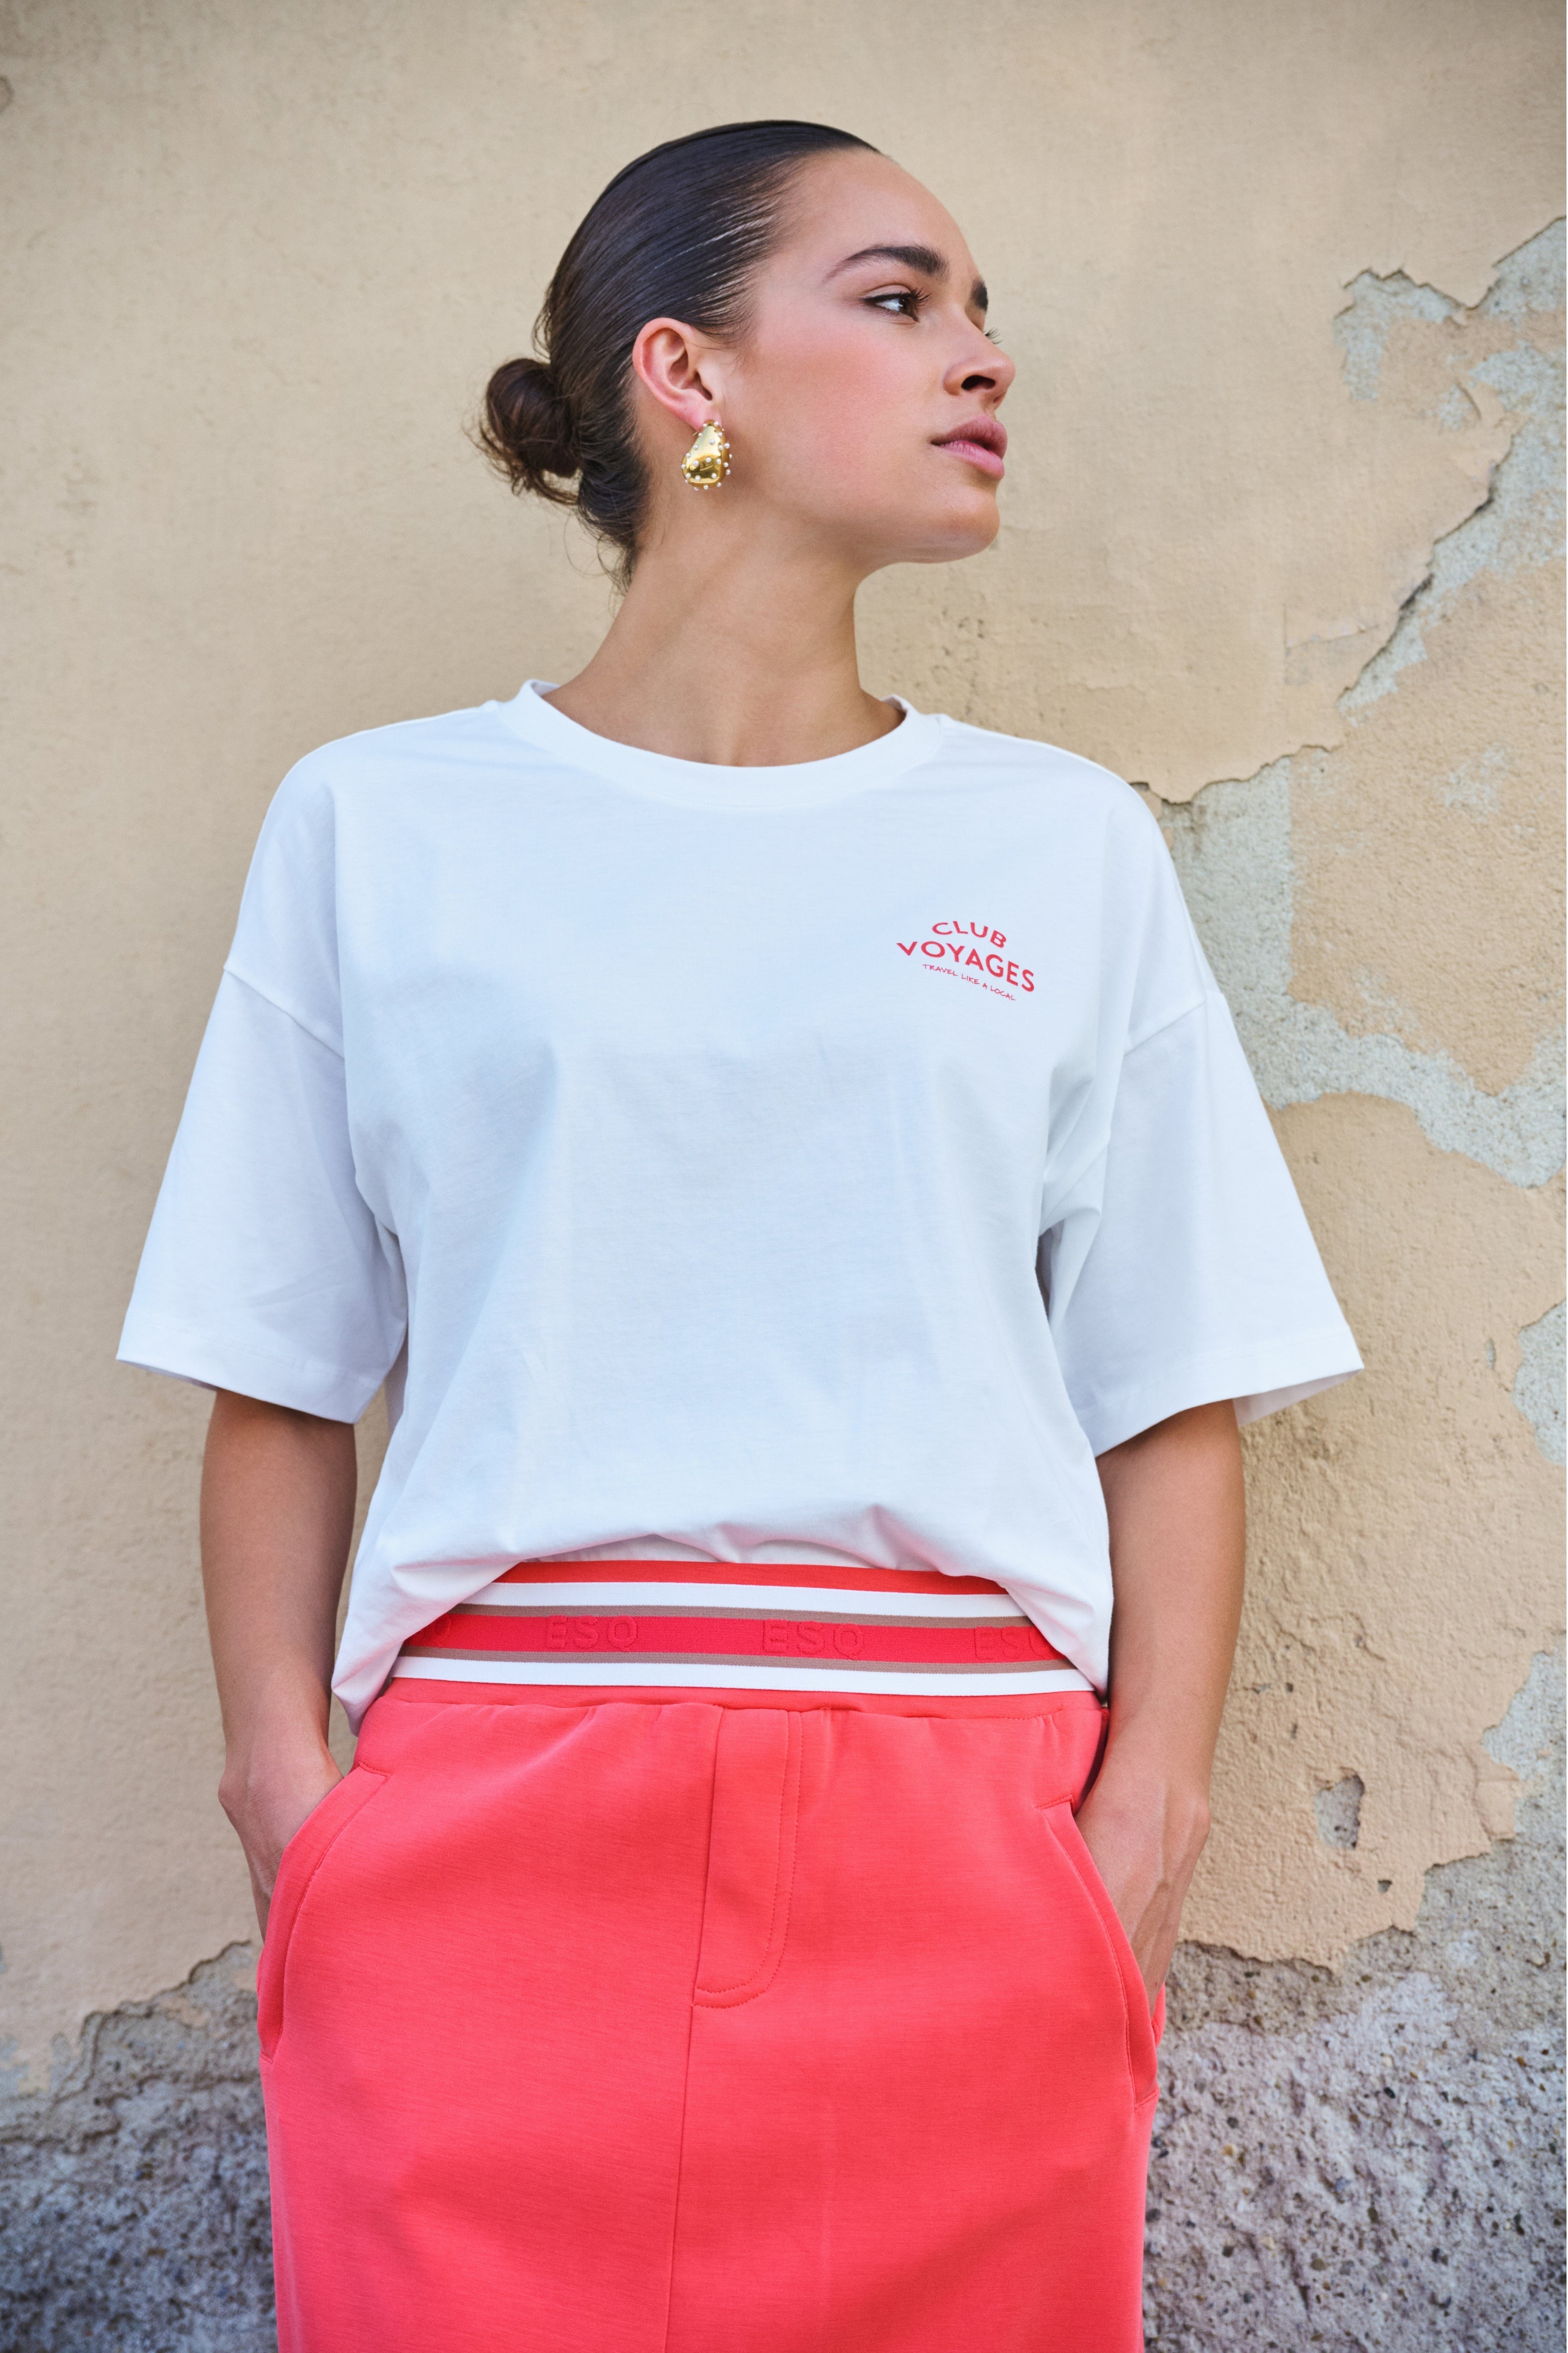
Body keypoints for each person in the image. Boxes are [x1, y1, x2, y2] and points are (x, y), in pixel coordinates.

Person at [119, 119, 1360, 2353]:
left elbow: (1166, 1377)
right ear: (685, 375)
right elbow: (278, 1368)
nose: (980, 356)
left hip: (968, 1840)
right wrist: (297, 1811)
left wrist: (1139, 1834)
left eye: (979, 311)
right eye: (898, 300)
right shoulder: (383, 825)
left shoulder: (1057, 844)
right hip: (477, 1846)